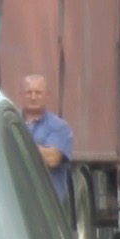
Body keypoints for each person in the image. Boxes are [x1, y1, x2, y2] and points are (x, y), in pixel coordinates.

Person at [21, 73, 74, 216]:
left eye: (38, 93)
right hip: (17, 207)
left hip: (48, 211)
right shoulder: (10, 123)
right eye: (28, 92)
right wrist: (39, 149)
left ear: (47, 95)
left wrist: (18, 142)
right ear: (22, 95)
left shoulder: (59, 127)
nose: (33, 97)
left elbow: (52, 159)